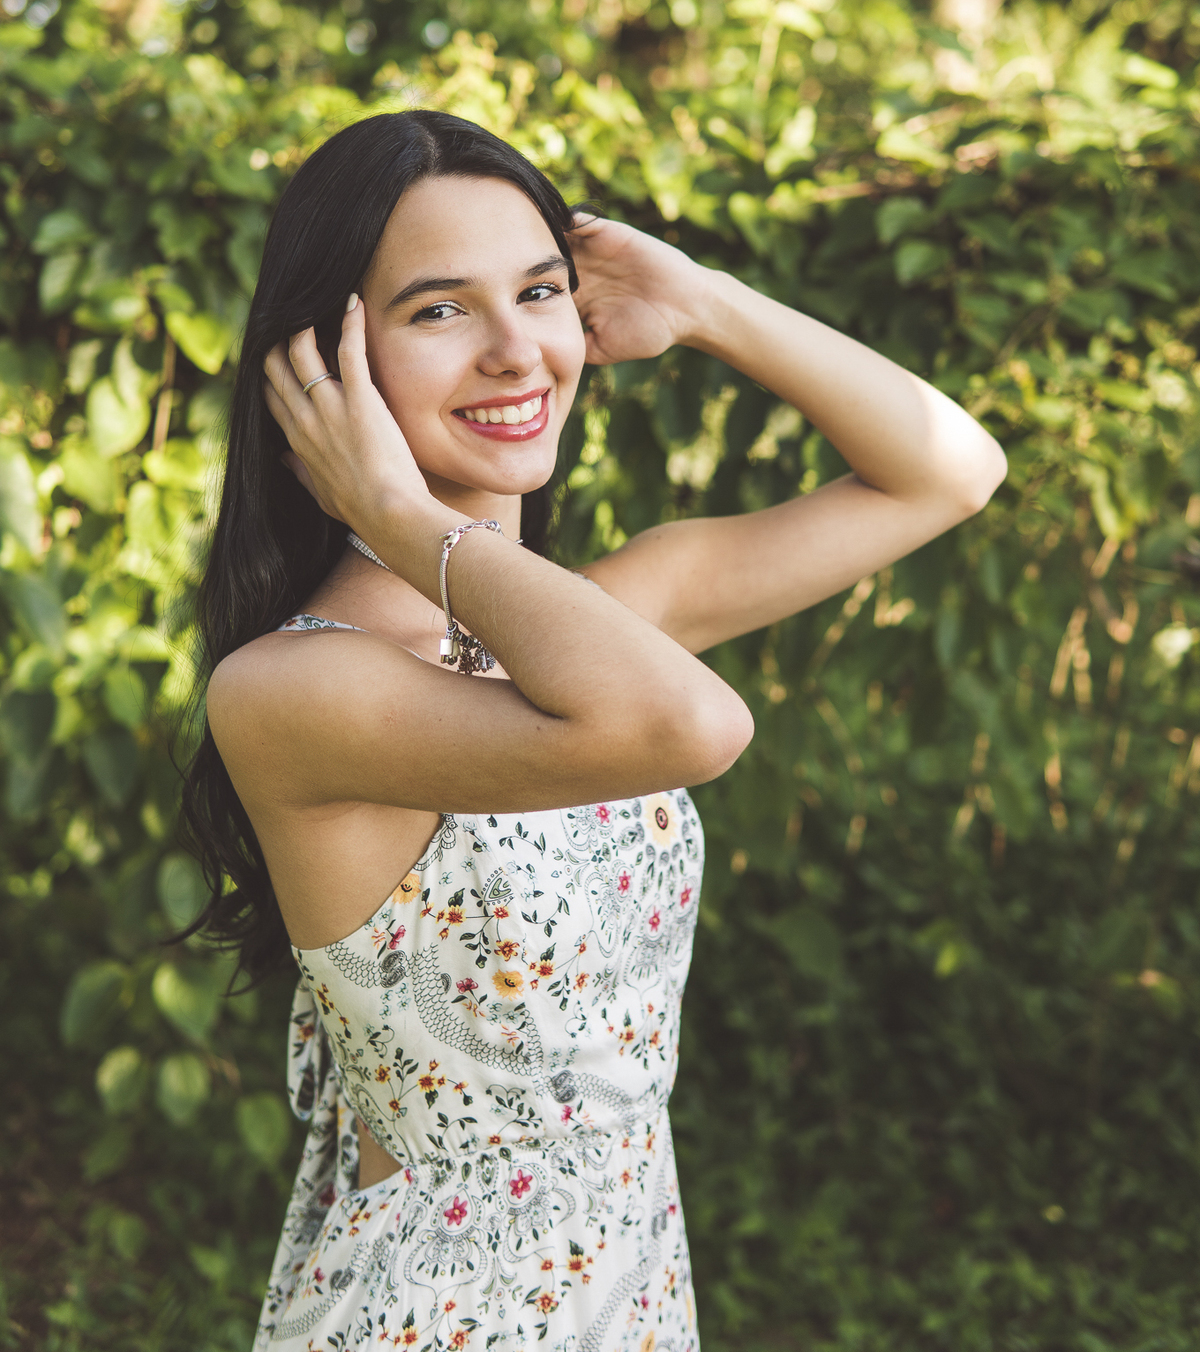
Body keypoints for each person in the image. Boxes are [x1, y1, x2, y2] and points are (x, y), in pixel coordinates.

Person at [190, 109, 1005, 1352]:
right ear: (323, 367)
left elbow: (950, 469)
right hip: (437, 1321)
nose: (519, 351)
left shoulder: (607, 620)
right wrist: (400, 520)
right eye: (439, 310)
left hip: (625, 1298)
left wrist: (708, 302)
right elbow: (691, 724)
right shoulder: (298, 693)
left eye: (541, 292)